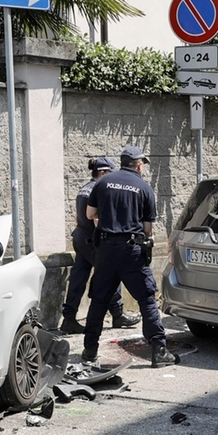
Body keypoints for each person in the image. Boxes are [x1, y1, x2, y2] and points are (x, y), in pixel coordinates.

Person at [84, 146, 177, 368]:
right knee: (146, 299)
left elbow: (89, 214)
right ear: (138, 165)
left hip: (106, 249)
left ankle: (89, 353)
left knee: (99, 301)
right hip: (131, 251)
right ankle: (159, 351)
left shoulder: (103, 183)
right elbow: (147, 229)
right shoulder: (144, 188)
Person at [61, 157, 139, 334]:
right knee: (111, 272)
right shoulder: (99, 189)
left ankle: (69, 317)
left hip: (80, 237)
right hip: (93, 240)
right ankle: (118, 314)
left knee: (78, 277)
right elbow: (97, 219)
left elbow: (77, 217)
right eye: (110, 174)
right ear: (103, 173)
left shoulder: (84, 189)